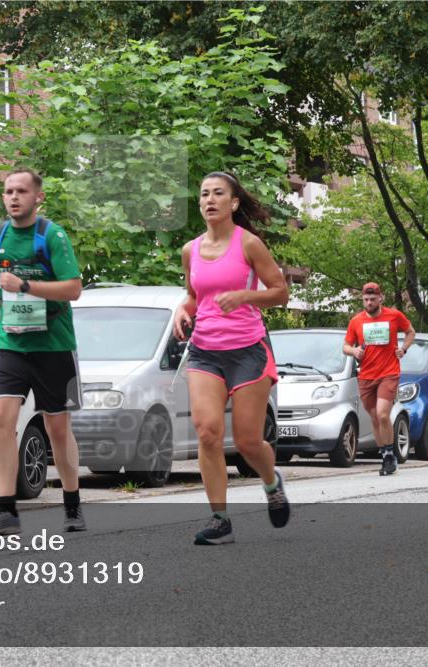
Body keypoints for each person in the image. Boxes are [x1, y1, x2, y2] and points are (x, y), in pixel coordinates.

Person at [173, 171, 290, 545]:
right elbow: (194, 296)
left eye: (218, 193)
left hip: (247, 351)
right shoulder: (190, 250)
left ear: (233, 202)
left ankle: (271, 483)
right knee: (207, 432)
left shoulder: (249, 244)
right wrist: (182, 309)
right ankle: (220, 519)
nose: (209, 200)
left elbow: (280, 292)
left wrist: (244, 297)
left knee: (247, 442)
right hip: (205, 350)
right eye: (204, 193)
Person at [0, 168, 85, 535]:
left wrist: (26, 285)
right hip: (10, 343)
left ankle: (72, 502)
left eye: (21, 191)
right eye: (7, 191)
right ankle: (6, 509)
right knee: (1, 418)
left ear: (38, 197)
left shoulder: (52, 236)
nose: (13, 197)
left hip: (53, 346)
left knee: (58, 430)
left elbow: (73, 289)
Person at [343, 282, 416, 475]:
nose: (369, 302)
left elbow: (411, 332)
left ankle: (390, 455)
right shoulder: (356, 321)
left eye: (372, 299)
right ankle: (385, 455)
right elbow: (345, 346)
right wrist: (354, 351)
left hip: (389, 373)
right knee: (375, 418)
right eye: (366, 299)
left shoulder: (394, 315)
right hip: (366, 375)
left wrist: (403, 349)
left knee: (383, 414)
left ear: (380, 298)